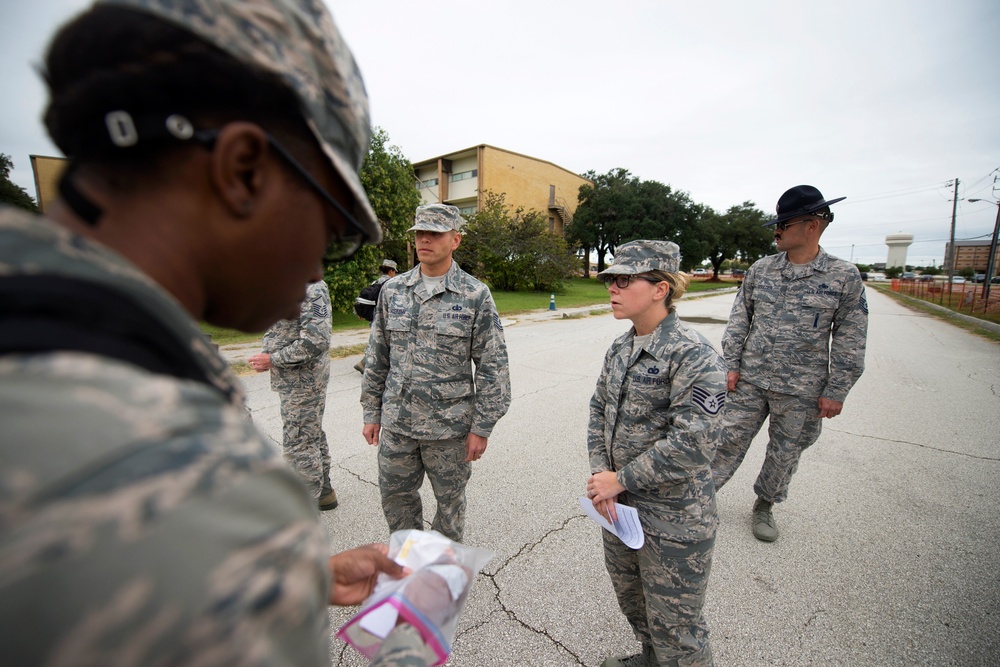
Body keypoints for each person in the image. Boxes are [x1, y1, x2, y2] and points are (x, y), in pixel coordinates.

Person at [0, 1, 454, 664]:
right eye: (332, 230)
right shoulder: (194, 487)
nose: (314, 266)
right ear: (243, 170)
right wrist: (410, 633)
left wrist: (291, 578)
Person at [586, 240, 726, 667]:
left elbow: (695, 442)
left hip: (674, 516)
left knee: (677, 627)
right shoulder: (622, 346)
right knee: (635, 603)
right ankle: (649, 660)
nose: (612, 288)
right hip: (621, 507)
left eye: (624, 280)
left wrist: (620, 479)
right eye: (611, 280)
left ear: (660, 288)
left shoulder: (693, 353)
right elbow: (598, 409)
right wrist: (601, 476)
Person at [711, 185, 868, 542]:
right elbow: (739, 321)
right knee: (724, 439)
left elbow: (850, 338)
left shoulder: (843, 277)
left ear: (811, 225)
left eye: (783, 224)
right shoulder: (761, 270)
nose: (776, 231)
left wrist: (837, 390)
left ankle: (765, 505)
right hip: (749, 379)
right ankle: (700, 498)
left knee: (785, 453)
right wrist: (730, 365)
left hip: (803, 389)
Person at [361, 203, 511, 543]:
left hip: (450, 429)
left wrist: (482, 426)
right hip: (398, 425)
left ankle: (442, 579)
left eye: (434, 233)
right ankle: (409, 568)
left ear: (455, 240)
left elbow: (493, 366)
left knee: (449, 508)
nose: (424, 240)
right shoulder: (394, 290)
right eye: (419, 234)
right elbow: (377, 356)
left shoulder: (475, 295)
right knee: (396, 501)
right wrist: (371, 411)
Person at [249, 279, 338, 510]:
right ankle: (324, 491)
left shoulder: (310, 285)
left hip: (303, 380)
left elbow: (315, 340)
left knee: (299, 442)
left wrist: (273, 359)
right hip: (294, 379)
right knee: (310, 432)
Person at [353, 258, 399, 373]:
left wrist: (361, 313)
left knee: (376, 340)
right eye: (394, 271)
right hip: (385, 318)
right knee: (380, 343)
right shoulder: (391, 284)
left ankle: (367, 363)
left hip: (373, 317)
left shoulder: (375, 283)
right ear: (391, 271)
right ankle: (365, 364)